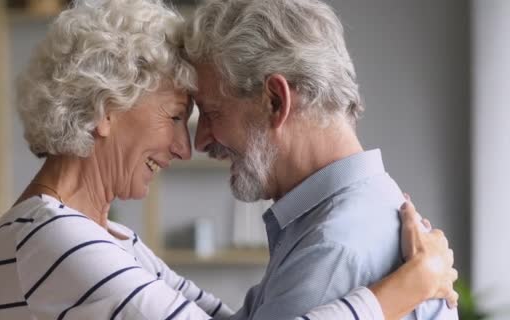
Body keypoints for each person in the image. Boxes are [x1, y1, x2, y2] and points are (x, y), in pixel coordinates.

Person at [0, 0, 457, 319]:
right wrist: (406, 288)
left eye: (205, 114)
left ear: (275, 101)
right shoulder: (55, 238)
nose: (189, 147)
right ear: (105, 110)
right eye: (175, 117)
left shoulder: (105, 238)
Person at [183, 0, 459, 319]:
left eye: (211, 112)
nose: (201, 140)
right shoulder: (352, 215)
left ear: (275, 101)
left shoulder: (331, 247)